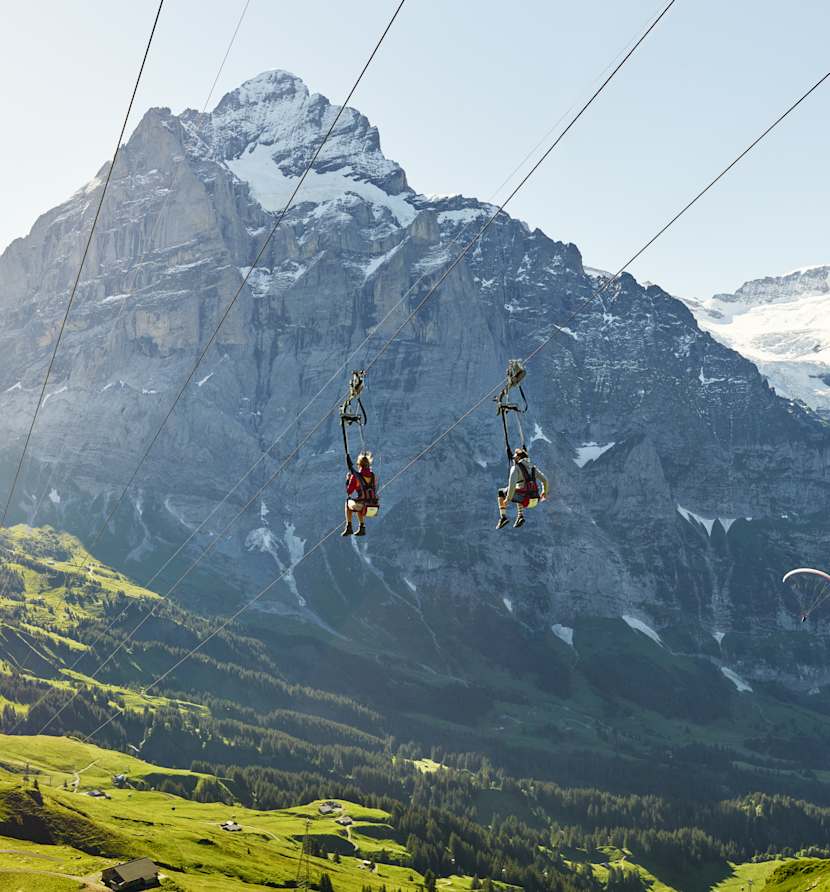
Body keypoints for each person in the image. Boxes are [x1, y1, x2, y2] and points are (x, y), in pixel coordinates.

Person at [497, 447, 548, 529]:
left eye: (515, 456)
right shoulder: (533, 468)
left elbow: (512, 485)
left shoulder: (515, 468)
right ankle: (520, 516)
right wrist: (544, 492)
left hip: (525, 500)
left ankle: (503, 517)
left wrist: (508, 499)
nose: (513, 458)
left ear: (518, 458)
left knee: (501, 492)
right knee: (519, 490)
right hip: (535, 500)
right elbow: (545, 480)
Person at [342, 451, 377, 537]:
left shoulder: (356, 476)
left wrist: (348, 480)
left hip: (363, 506)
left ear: (359, 465)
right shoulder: (373, 476)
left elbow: (349, 491)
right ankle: (362, 527)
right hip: (373, 506)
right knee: (358, 501)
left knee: (348, 503)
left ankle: (349, 526)